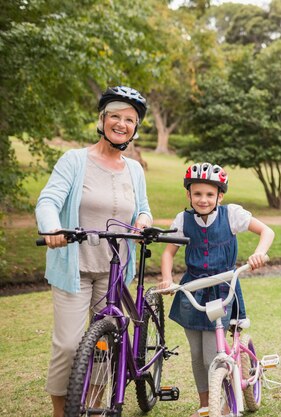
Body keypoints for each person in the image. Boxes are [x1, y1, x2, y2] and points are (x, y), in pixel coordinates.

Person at [35, 86, 152, 417]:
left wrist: (143, 222)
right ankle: (64, 410)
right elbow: (48, 200)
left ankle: (95, 405)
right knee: (70, 345)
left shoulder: (134, 170)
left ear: (135, 127)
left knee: (105, 345)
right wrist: (51, 228)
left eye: (129, 119)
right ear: (101, 120)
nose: (122, 123)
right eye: (115, 116)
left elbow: (143, 209)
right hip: (75, 268)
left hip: (114, 270)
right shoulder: (75, 160)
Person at [158, 162, 274, 417]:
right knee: (197, 355)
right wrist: (167, 278)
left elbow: (266, 231)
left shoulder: (231, 214)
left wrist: (258, 253)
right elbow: (168, 252)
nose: (203, 199)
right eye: (197, 193)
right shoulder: (183, 220)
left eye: (210, 194)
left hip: (222, 288)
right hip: (193, 288)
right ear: (188, 195)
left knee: (213, 354)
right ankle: (205, 405)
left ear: (220, 195)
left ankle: (220, 405)